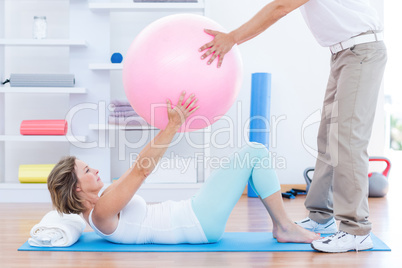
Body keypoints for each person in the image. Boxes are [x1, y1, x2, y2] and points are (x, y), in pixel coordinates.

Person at [199, 0, 387, 253]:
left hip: (361, 52)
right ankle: (322, 217)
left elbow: (281, 7)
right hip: (343, 54)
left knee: (347, 140)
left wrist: (232, 38)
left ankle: (356, 230)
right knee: (328, 139)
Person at [47, 91, 319, 245]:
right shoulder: (101, 212)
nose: (94, 170)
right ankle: (283, 226)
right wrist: (174, 125)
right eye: (86, 170)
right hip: (198, 221)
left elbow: (133, 170)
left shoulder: (100, 205)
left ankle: (283, 225)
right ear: (78, 187)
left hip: (194, 212)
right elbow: (141, 171)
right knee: (256, 152)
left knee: (250, 155)